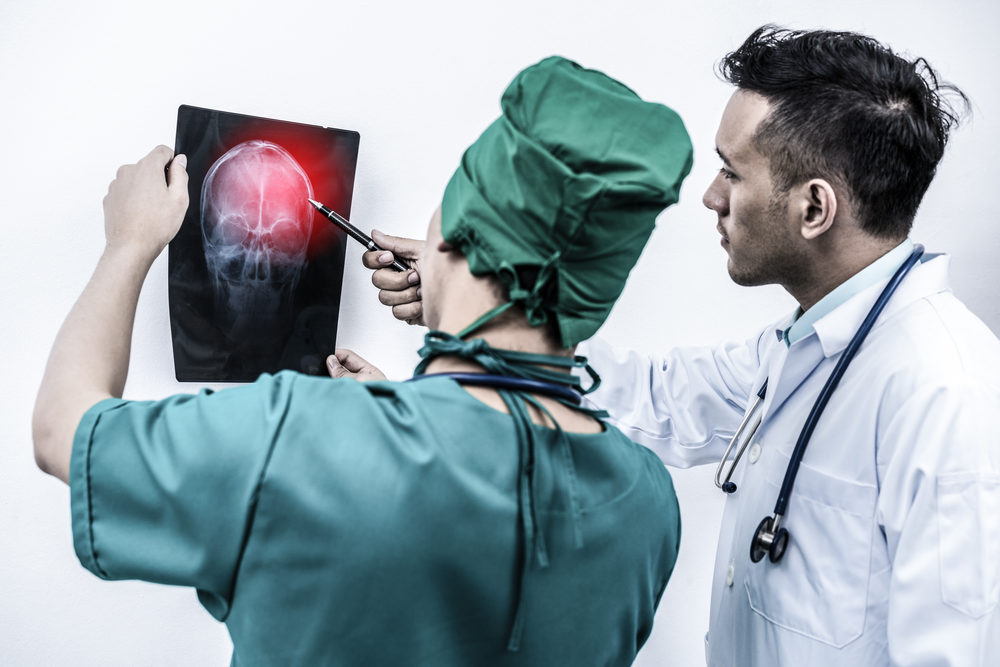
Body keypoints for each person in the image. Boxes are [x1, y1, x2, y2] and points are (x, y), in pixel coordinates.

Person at [359, 27, 1000, 666]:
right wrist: (476, 298)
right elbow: (658, 396)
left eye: (732, 171)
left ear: (814, 209)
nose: (711, 196)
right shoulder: (802, 345)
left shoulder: (947, 389)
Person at [32, 56, 694, 665]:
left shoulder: (298, 438)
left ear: (455, 229)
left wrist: (127, 242)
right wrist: (412, 390)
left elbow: (65, 429)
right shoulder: (648, 503)